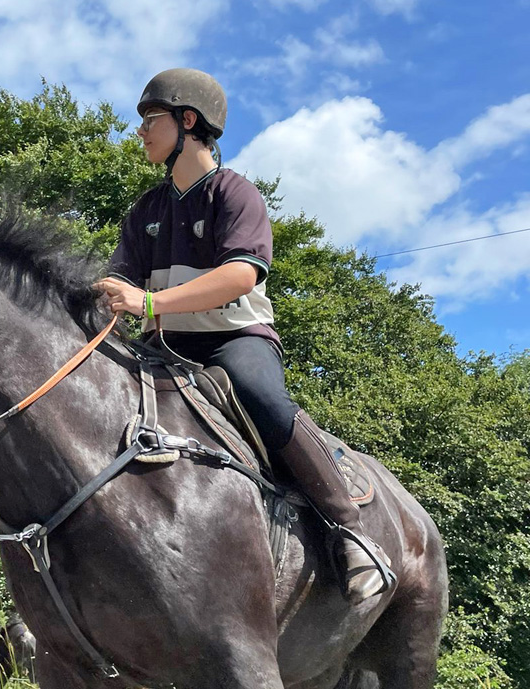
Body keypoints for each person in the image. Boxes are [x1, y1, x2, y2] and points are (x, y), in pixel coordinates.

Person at [95, 68, 394, 603]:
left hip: (233, 339)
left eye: (150, 118)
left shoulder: (235, 193)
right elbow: (118, 280)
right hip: (162, 348)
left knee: (260, 394)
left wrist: (151, 303)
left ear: (189, 121)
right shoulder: (145, 210)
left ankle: (352, 533)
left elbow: (240, 275)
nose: (139, 130)